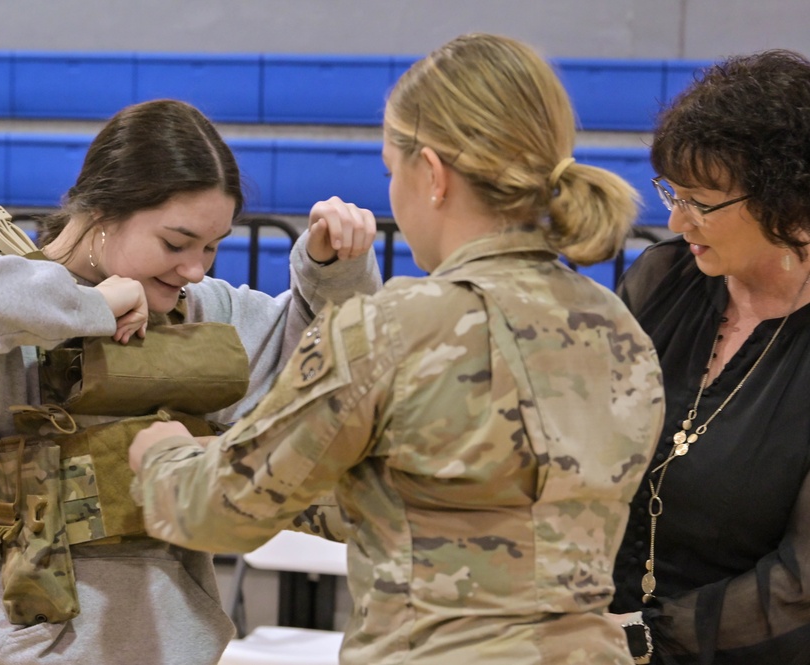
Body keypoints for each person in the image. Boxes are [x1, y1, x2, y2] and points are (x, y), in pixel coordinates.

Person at [128, 33, 665, 665]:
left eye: (391, 169)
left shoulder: (393, 329)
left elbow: (219, 514)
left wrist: (163, 456)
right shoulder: (618, 331)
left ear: (432, 174)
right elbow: (432, 505)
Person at [0, 98, 382, 665]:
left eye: (212, 247)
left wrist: (333, 270)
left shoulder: (198, 310)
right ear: (103, 213)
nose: (195, 268)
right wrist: (92, 306)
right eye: (174, 243)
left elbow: (325, 375)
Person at [608, 49, 810, 663]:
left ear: (788, 200)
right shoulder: (661, 279)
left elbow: (800, 588)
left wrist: (639, 642)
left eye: (701, 201)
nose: (674, 218)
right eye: (673, 191)